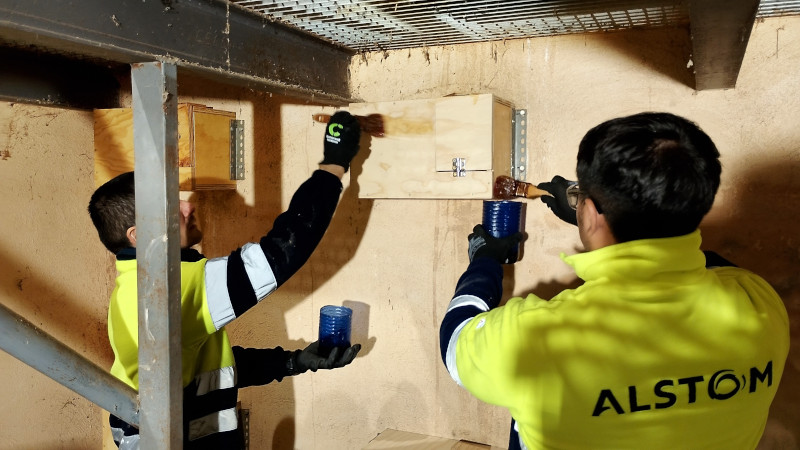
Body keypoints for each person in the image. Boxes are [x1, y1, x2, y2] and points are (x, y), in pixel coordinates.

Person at [439, 112, 789, 449]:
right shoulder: (760, 303)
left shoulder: (537, 338)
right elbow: (699, 261)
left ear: (591, 213)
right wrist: (600, 220)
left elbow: (455, 341)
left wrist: (484, 261)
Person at [89, 111, 363, 449]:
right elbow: (282, 252)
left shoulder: (134, 286)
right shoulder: (169, 288)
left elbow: (207, 371)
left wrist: (292, 361)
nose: (188, 206)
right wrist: (334, 165)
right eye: (169, 205)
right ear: (138, 235)